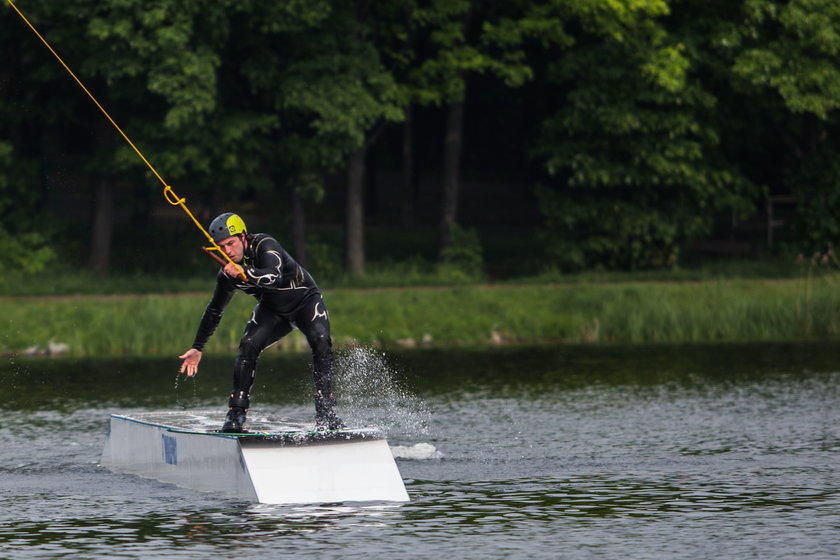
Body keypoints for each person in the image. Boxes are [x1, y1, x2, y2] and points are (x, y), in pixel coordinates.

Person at [178, 212, 343, 432]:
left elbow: (273, 278)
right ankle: (235, 414)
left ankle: (326, 414)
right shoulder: (227, 274)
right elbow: (215, 310)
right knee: (248, 346)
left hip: (305, 302)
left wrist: (243, 272)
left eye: (231, 243)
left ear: (243, 237)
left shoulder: (265, 244)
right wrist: (198, 347)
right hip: (273, 310)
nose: (227, 251)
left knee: (321, 341)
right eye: (221, 247)